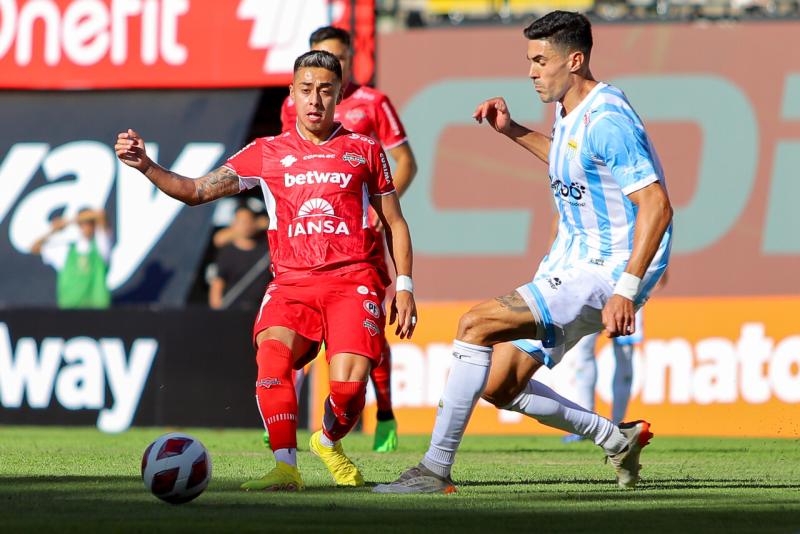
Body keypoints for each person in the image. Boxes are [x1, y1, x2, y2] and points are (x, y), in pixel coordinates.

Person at [374, 11, 672, 494]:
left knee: (474, 324)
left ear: (574, 60)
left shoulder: (610, 119)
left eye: (540, 60)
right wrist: (511, 129)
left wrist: (626, 288)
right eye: (529, 60)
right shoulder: (571, 109)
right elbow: (570, 153)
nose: (531, 71)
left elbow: (657, 204)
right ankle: (615, 437)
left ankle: (433, 471)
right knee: (499, 384)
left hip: (605, 269)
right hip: (570, 260)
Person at [114, 50, 417, 492]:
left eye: (325, 91)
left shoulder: (365, 149)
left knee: (349, 393)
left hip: (352, 280)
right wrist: (147, 166)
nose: (315, 100)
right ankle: (284, 467)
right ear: (292, 94)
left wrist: (404, 285)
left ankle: (328, 440)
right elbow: (196, 191)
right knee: (271, 361)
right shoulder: (266, 153)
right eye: (307, 90)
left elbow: (395, 221)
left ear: (338, 98)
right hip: (291, 284)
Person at [281, 25, 418, 453]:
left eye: (336, 60)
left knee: (368, 331)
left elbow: (405, 162)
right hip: (313, 238)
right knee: (294, 327)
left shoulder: (372, 102)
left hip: (362, 238)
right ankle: (282, 416)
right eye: (320, 57)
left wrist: (381, 210)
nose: (327, 68)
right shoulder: (297, 105)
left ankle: (386, 414)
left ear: (349, 61)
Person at [31, 208, 112, 309]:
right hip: (70, 311)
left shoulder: (102, 247)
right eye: (83, 224)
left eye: (90, 223)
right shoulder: (66, 251)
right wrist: (53, 230)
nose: (87, 227)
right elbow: (34, 248)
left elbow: (101, 215)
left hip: (96, 311)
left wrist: (69, 221)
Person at [208, 205, 272, 311]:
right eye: (242, 222)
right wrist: (216, 312)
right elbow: (218, 283)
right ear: (234, 224)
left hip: (263, 309)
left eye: (249, 220)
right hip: (233, 309)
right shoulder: (227, 252)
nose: (246, 225)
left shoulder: (267, 247)